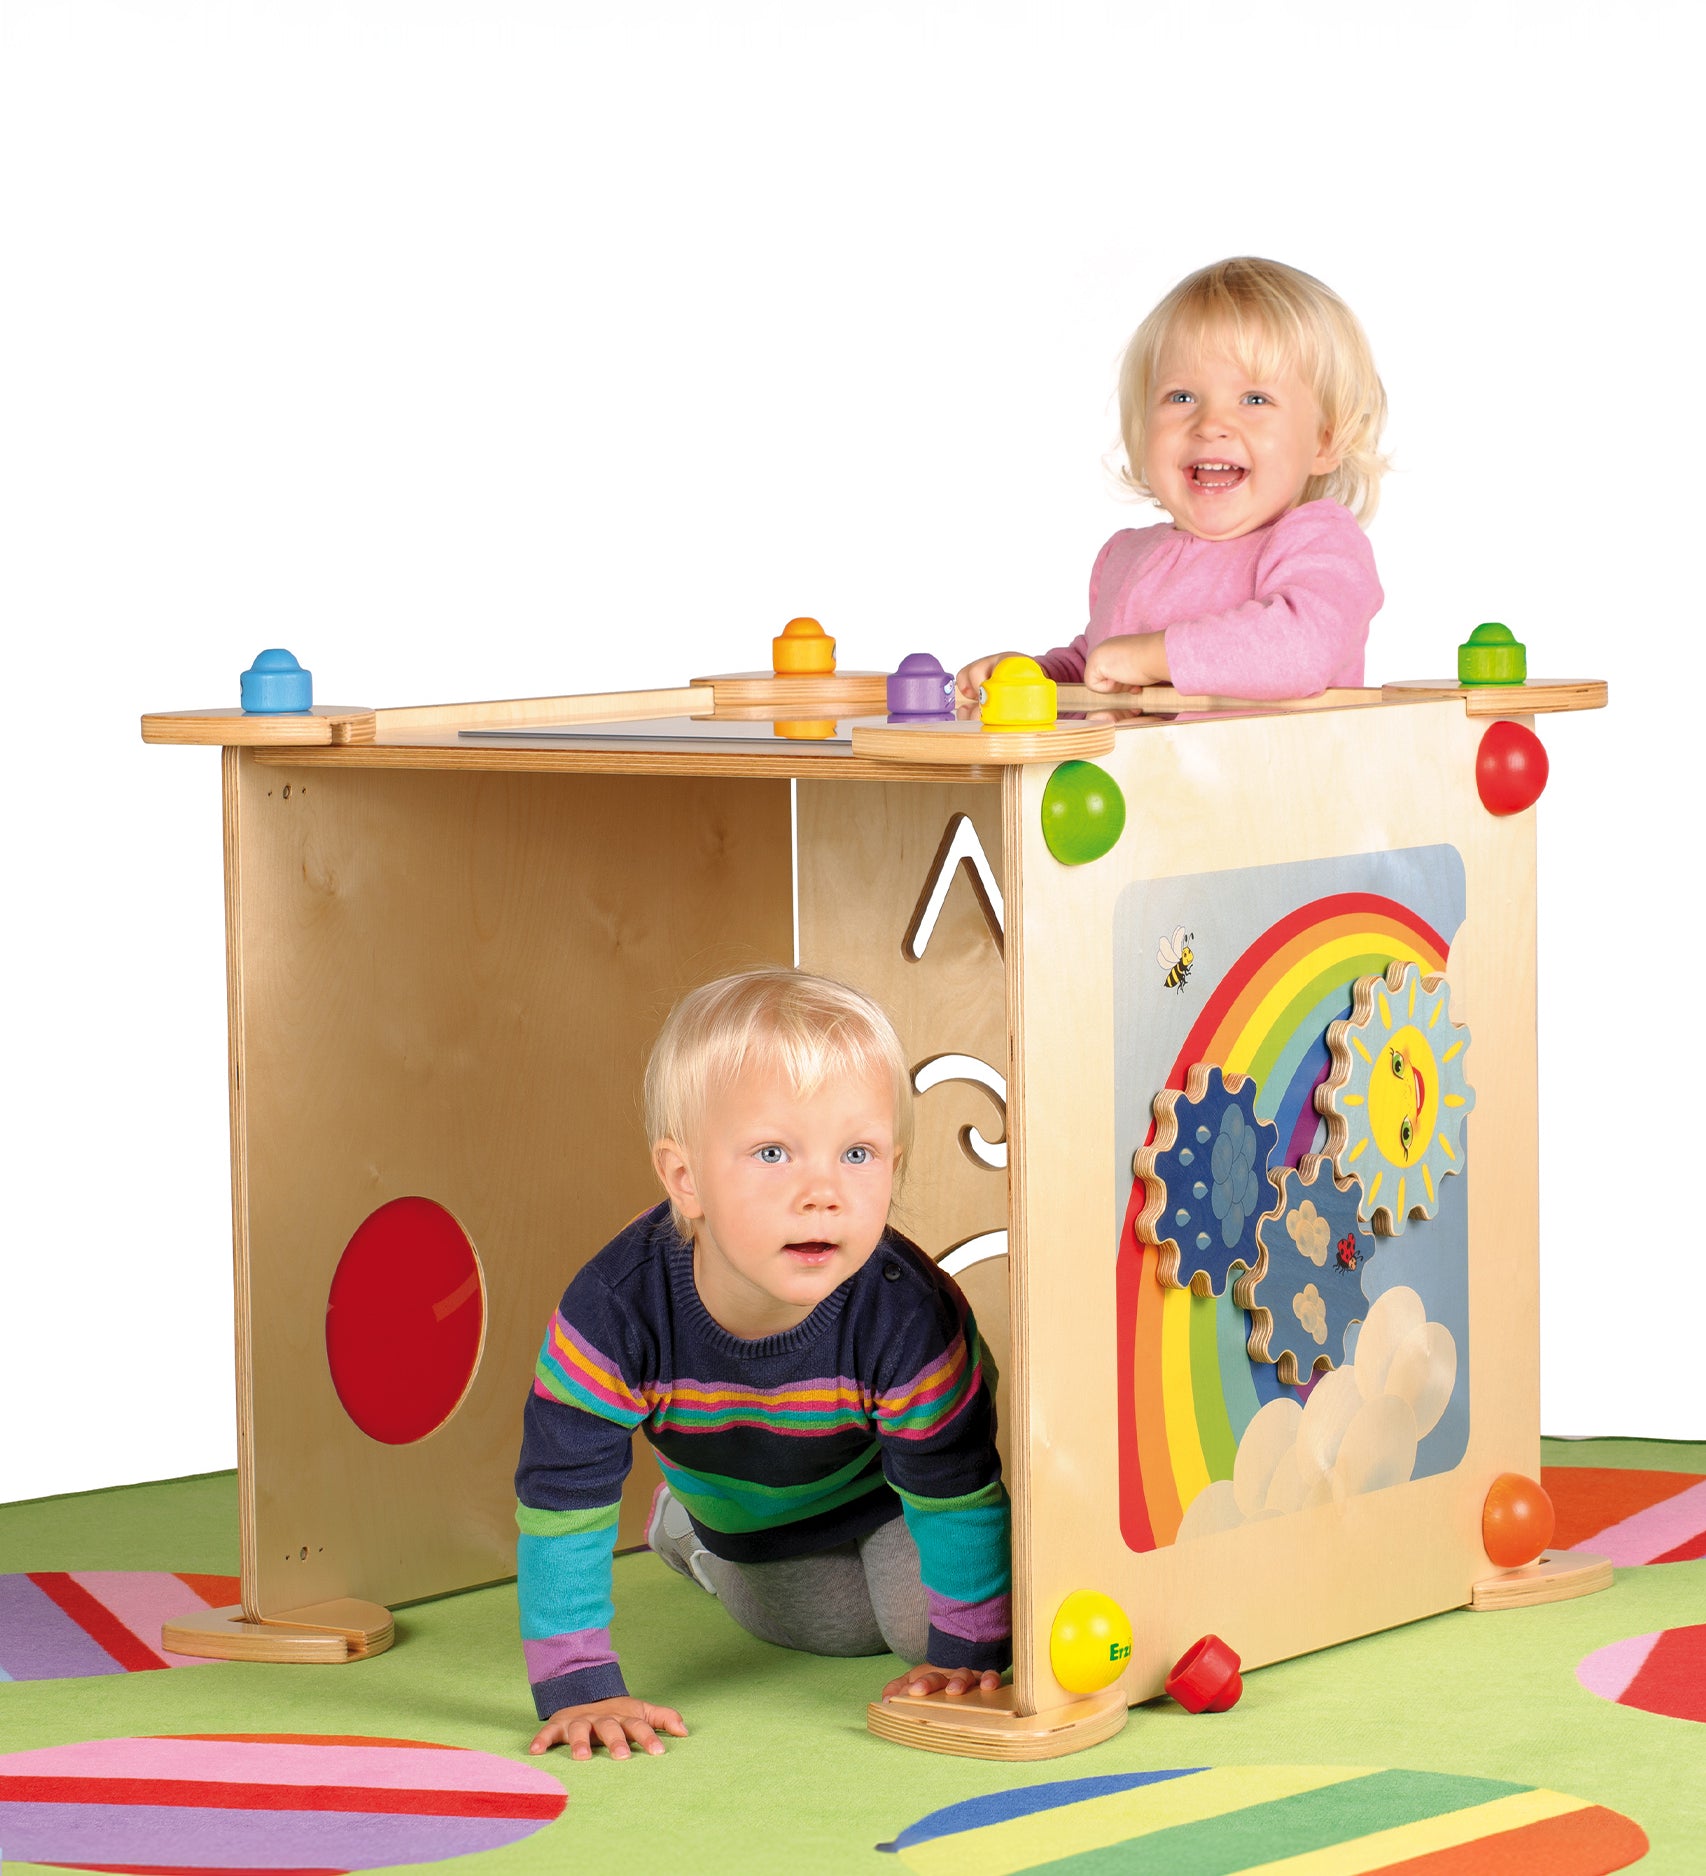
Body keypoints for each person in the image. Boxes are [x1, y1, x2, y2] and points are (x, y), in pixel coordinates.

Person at [515, 967, 1011, 1760]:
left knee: (929, 1630)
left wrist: (969, 1660)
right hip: (758, 1519)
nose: (823, 1192)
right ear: (686, 1180)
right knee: (843, 1627)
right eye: (774, 1152)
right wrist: (581, 1686)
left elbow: (957, 1490)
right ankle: (685, 1535)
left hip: (888, 1493)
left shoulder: (907, 1312)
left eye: (858, 1152)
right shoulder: (614, 1313)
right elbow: (560, 1502)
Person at [956, 256, 1388, 706]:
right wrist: (1033, 679)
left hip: (1274, 777)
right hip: (1140, 778)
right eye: (1181, 396)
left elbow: (1301, 648)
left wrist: (1153, 656)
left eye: (1255, 399)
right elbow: (1103, 666)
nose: (1211, 423)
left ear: (1323, 442)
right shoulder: (1126, 557)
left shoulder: (1319, 542)